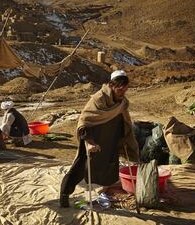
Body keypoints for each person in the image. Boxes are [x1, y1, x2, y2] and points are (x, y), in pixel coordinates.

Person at [59, 70, 139, 208]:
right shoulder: (98, 99)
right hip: (93, 139)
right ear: (111, 85)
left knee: (108, 166)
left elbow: (124, 121)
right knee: (80, 167)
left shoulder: (122, 102)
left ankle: (100, 191)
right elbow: (85, 121)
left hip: (110, 140)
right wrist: (89, 141)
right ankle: (64, 195)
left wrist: (124, 139)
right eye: (120, 87)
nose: (123, 90)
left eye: (125, 87)